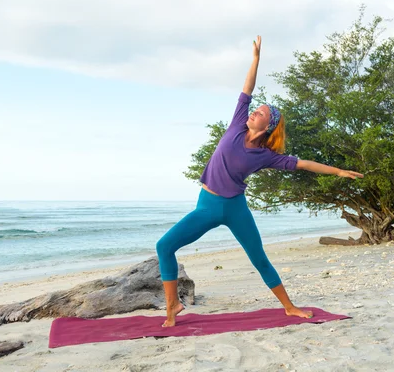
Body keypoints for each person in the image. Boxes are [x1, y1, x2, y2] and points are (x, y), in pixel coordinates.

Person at [155, 36, 364, 328]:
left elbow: (303, 164)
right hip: (208, 205)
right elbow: (247, 89)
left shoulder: (267, 156)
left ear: (268, 126)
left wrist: (339, 172)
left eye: (261, 113)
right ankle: (172, 306)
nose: (254, 112)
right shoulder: (237, 123)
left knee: (259, 258)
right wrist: (255, 60)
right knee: (165, 246)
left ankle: (289, 307)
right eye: (256, 110)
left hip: (236, 208)